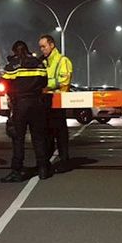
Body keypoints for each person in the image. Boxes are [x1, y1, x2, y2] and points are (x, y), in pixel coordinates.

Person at [0, 41, 51, 182]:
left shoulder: (13, 65)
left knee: (18, 140)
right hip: (37, 104)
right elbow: (45, 82)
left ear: (15, 51)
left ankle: (16, 171)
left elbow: (3, 83)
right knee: (38, 138)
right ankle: (43, 170)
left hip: (20, 106)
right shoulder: (39, 63)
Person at [38, 33, 73, 172]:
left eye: (44, 46)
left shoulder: (62, 61)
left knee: (60, 133)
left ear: (52, 45)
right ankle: (46, 163)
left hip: (58, 102)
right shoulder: (43, 61)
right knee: (47, 134)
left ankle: (64, 161)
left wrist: (47, 87)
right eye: (40, 47)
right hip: (45, 102)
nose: (42, 49)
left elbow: (64, 81)